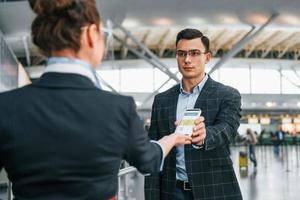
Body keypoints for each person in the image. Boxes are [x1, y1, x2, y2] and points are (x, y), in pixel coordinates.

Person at [0, 1, 203, 199]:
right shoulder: (117, 108)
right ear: (90, 34)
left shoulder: (7, 106)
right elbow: (148, 160)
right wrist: (173, 138)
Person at [145, 28, 242, 200]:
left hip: (214, 188)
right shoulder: (162, 100)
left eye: (194, 53)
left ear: (207, 57)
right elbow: (155, 148)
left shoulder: (227, 94)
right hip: (171, 192)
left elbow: (228, 128)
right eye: (181, 53)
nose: (187, 60)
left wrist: (206, 135)